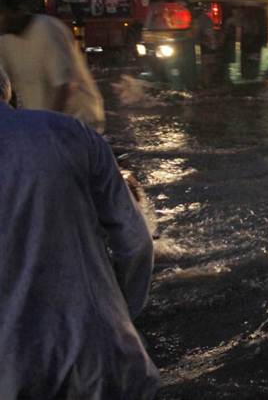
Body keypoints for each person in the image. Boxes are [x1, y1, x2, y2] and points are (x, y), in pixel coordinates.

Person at [0, 64, 159, 398]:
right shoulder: (70, 133)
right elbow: (135, 242)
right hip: (103, 361)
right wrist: (119, 316)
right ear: (6, 90)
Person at [0, 0, 105, 132]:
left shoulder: (46, 29)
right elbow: (5, 86)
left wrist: (45, 128)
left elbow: (65, 86)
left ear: (15, 10)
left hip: (77, 124)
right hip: (43, 125)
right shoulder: (5, 40)